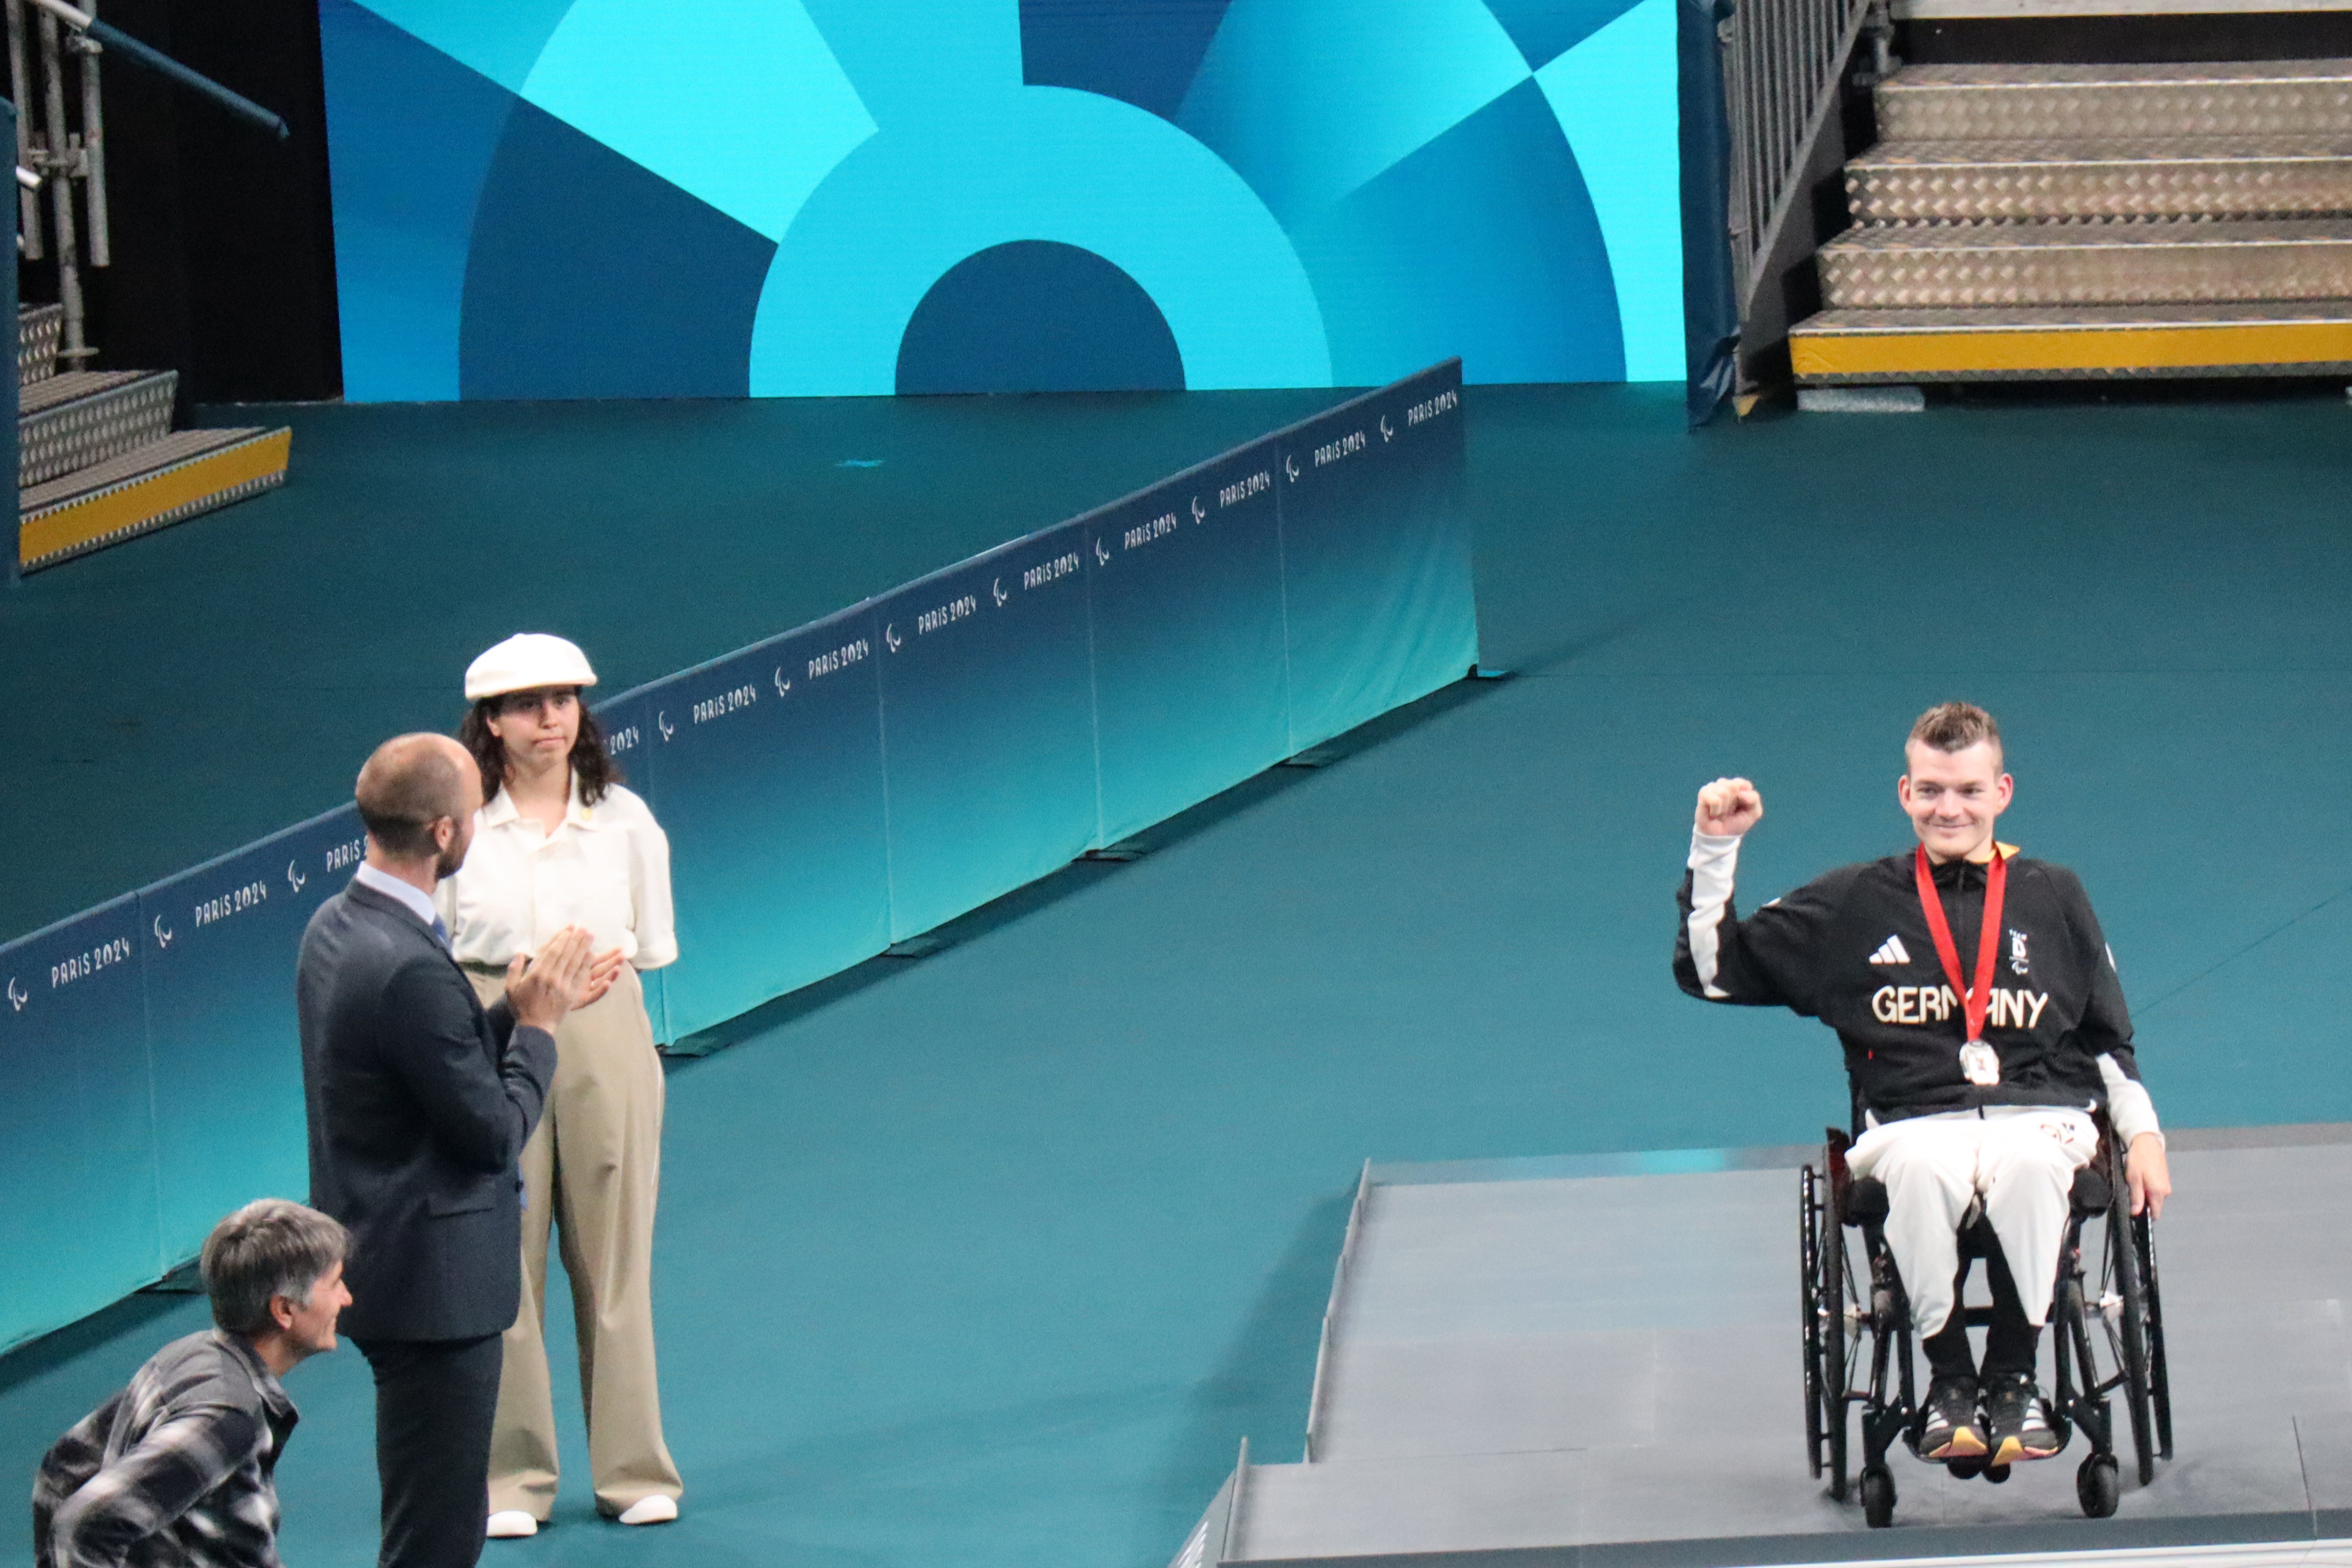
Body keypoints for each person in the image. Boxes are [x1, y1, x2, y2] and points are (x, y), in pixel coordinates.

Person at [1673, 702, 2172, 1468]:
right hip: (1912, 1124)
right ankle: (1948, 1383)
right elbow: (1711, 972)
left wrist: (2143, 1135)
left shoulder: (2055, 894)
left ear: (2002, 791)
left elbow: (2108, 1037)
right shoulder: (1855, 900)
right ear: (1905, 794)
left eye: (1969, 791)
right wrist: (1716, 848)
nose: (1951, 808)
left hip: (2043, 1117)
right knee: (1921, 1165)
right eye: (1933, 790)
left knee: (2035, 1164)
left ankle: (2012, 1378)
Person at [298, 732, 597, 1568]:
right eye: (472, 810)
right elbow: (492, 1133)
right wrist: (537, 1031)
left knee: (439, 1511)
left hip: (386, 1254)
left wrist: (519, 1005)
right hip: (436, 1285)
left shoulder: (337, 926)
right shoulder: (408, 965)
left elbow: (424, 1064)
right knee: (435, 1534)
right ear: (442, 832)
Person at [437, 634, 682, 1536]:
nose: (551, 718)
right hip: (488, 1023)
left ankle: (633, 1469)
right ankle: (513, 1480)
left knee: (615, 1255)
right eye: (529, 703)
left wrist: (584, 990)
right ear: (490, 724)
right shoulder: (455, 828)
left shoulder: (625, 820)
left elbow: (650, 946)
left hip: (601, 1022)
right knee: (503, 1255)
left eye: (565, 699)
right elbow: (435, 943)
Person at [33, 1199, 352, 1568]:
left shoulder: (190, 1356)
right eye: (335, 1284)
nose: (346, 1298)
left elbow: (66, 1467)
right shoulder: (227, 1417)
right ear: (284, 1310)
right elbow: (82, 1528)